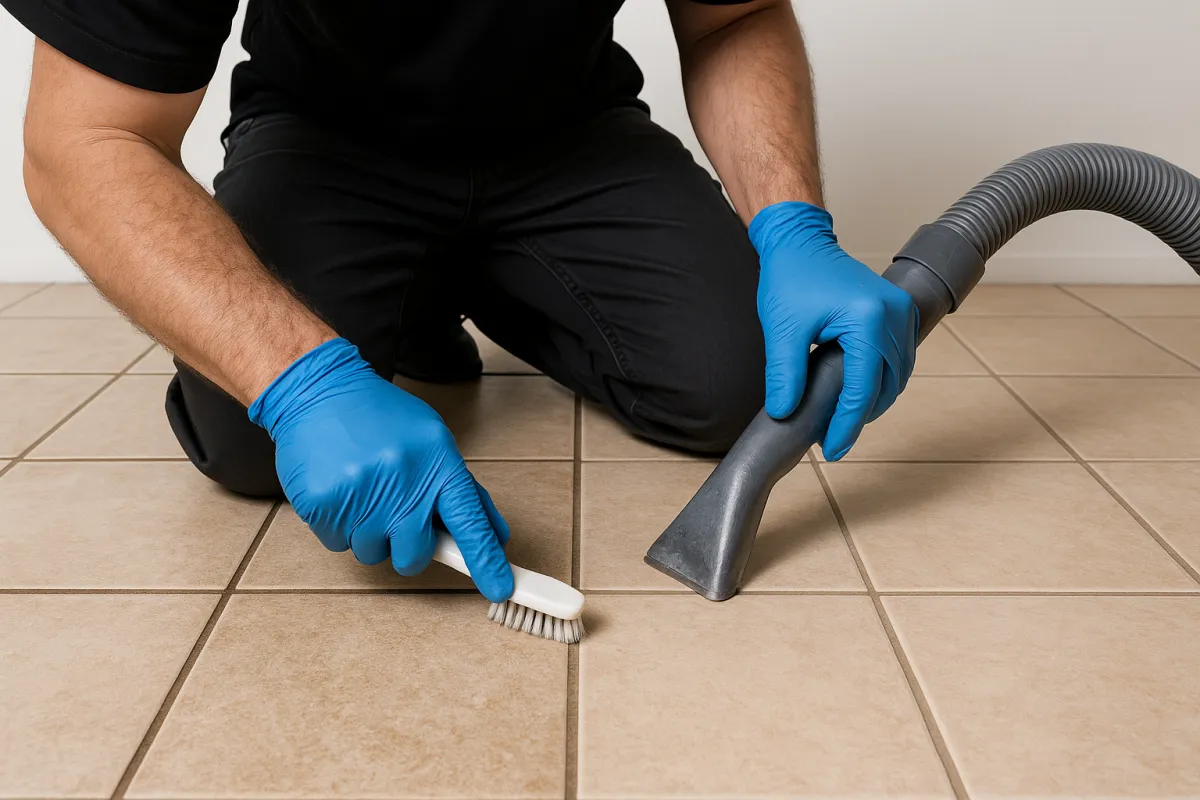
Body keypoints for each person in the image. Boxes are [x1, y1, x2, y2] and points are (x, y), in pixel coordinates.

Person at [4, 0, 918, 603]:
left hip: (571, 139)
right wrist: (302, 384)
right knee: (253, 442)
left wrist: (794, 229)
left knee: (748, 381)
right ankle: (408, 307)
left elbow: (734, 15)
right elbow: (83, 138)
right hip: (327, 145)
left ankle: (473, 284)